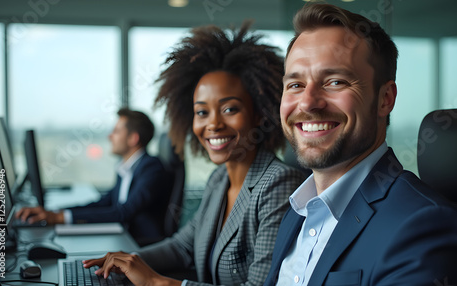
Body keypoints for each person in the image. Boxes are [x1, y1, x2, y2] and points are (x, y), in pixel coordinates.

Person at [263, 3, 457, 286]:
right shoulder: (297, 211)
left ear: (385, 99)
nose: (307, 102)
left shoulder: (424, 227)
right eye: (295, 85)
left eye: (335, 81)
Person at [83, 22, 306, 286]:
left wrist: (157, 283)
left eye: (229, 109)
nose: (213, 124)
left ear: (259, 114)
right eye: (202, 112)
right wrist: (127, 261)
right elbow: (182, 247)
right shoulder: (218, 179)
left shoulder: (279, 185)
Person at [16, 108, 174, 246]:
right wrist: (56, 212)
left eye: (116, 131)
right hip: (124, 237)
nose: (110, 136)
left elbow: (123, 213)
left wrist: (60, 217)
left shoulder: (151, 168)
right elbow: (106, 202)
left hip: (139, 243)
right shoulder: (127, 168)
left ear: (133, 138)